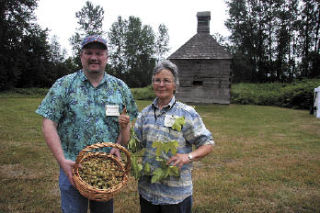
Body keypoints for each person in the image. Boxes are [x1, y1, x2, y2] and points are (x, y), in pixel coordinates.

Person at [35, 35, 138, 213]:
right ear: (81, 56)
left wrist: (119, 144)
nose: (94, 57)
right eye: (89, 52)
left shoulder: (120, 88)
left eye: (99, 53)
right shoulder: (64, 85)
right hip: (72, 165)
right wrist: (61, 160)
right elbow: (48, 123)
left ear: (106, 57)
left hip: (106, 169)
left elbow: (126, 122)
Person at [122, 60, 214, 213]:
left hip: (175, 195)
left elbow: (208, 143)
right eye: (157, 80)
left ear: (175, 85)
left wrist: (188, 157)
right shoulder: (145, 114)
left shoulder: (186, 113)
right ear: (153, 83)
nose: (161, 84)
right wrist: (124, 128)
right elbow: (132, 146)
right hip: (147, 192)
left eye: (166, 80)